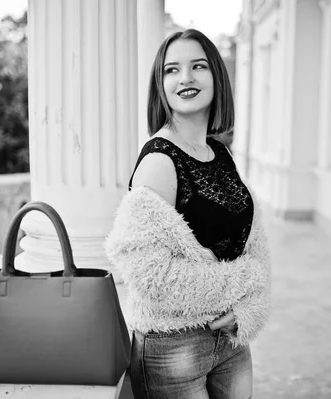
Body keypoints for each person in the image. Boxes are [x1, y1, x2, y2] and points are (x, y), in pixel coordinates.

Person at [105, 29, 271, 399]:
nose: (186, 78)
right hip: (172, 348)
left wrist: (249, 307)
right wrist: (245, 280)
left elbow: (252, 244)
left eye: (198, 66)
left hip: (230, 340)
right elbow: (148, 274)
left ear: (216, 77)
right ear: (160, 85)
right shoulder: (160, 162)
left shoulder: (220, 154)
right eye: (171, 70)